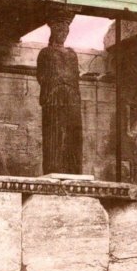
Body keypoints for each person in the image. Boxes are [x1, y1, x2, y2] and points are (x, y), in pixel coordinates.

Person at [36, 12, 82, 174]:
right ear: (53, 32)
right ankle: (52, 167)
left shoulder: (71, 54)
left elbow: (75, 75)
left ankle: (73, 169)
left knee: (71, 132)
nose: (62, 34)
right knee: (54, 131)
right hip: (54, 96)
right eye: (59, 31)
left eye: (65, 32)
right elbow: (41, 75)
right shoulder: (45, 53)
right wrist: (55, 83)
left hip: (71, 96)